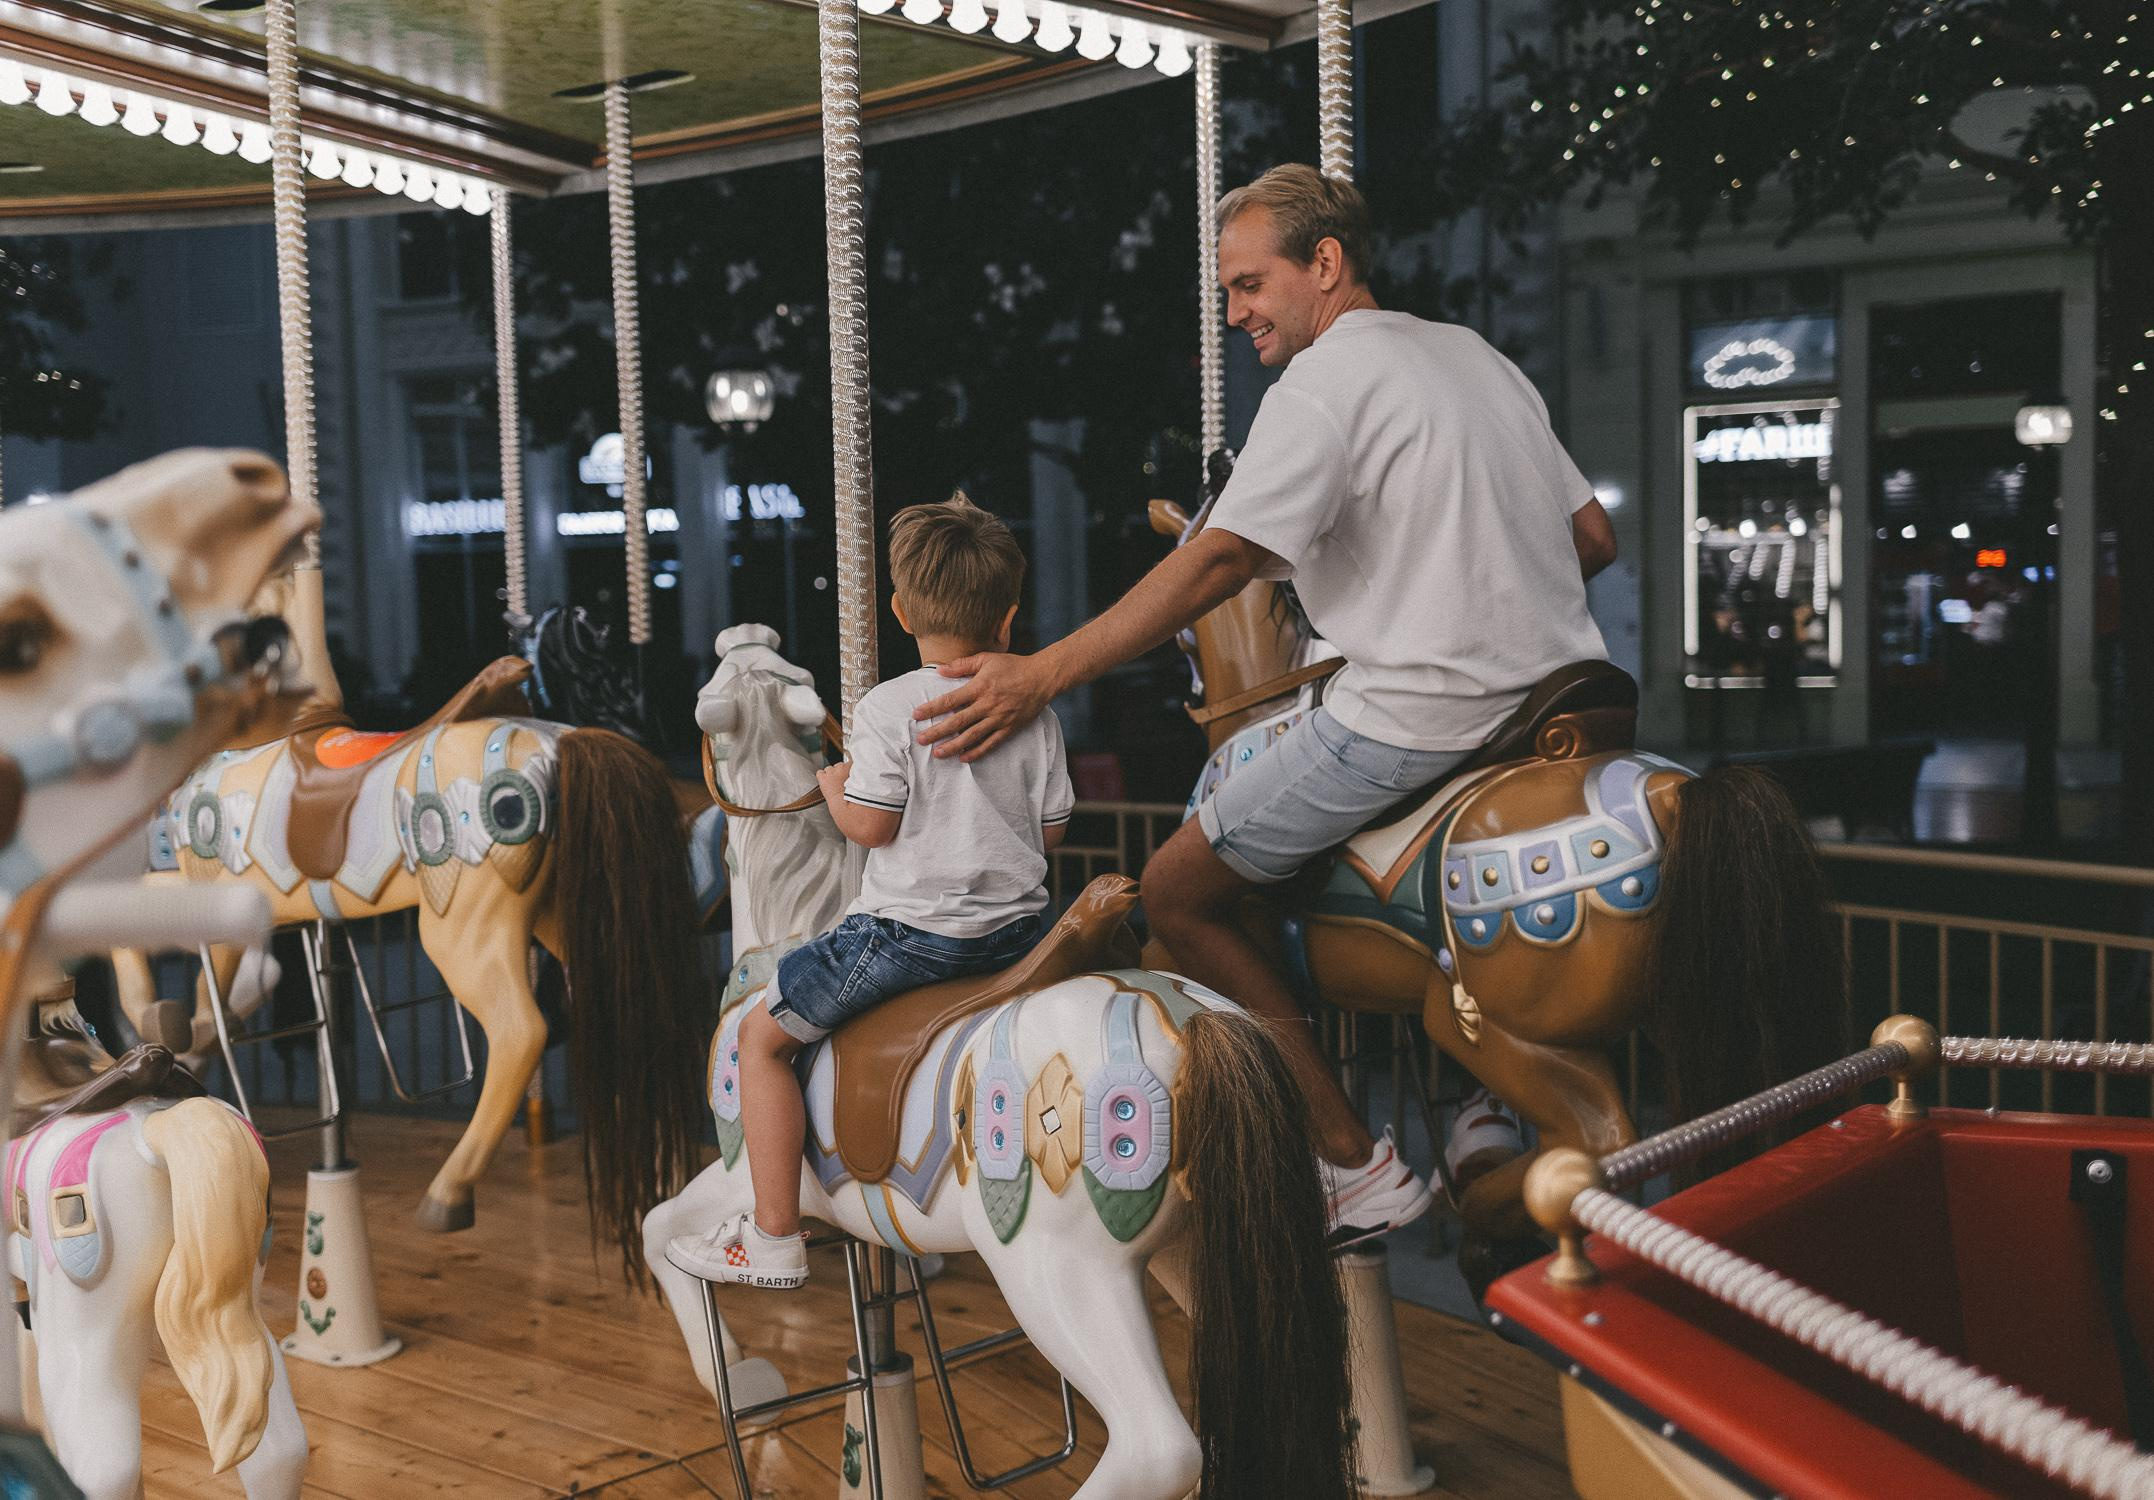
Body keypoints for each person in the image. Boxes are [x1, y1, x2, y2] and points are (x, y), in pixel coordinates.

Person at [909, 164, 1618, 1247]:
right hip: (1564, 700)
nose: (1236, 312)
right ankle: (1484, 1094)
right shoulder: (1473, 356)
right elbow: (1591, 540)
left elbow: (1219, 562)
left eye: (1249, 285)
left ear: (1323, 265)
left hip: (1428, 711)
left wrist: (1042, 672)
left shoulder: (1324, 387)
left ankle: (1350, 1160)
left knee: (1180, 887)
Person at [666, 494, 1074, 1287]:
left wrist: (831, 784)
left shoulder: (890, 706)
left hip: (910, 939)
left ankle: (775, 1232)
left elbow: (872, 829)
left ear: (896, 609)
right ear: (1010, 616)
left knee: (761, 1040)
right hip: (1021, 935)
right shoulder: (1034, 706)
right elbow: (1050, 833)